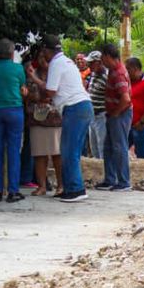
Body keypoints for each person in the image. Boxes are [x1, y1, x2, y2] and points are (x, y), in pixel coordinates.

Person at [35, 34, 93, 203]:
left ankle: (75, 189)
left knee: (69, 151)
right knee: (71, 150)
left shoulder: (56, 63)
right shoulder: (67, 61)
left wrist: (34, 78)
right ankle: (72, 187)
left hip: (74, 108)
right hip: (82, 106)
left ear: (46, 50)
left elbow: (51, 91)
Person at [0, 38, 27, 203]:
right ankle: (13, 191)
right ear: (11, 54)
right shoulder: (18, 69)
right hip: (14, 110)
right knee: (13, 151)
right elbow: (22, 89)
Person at [25, 49, 63, 196]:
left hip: (55, 119)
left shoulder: (58, 72)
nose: (43, 60)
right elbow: (29, 93)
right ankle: (41, 186)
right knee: (39, 154)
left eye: (45, 57)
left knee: (57, 154)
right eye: (40, 57)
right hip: (37, 118)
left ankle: (60, 185)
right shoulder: (32, 75)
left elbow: (54, 93)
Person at [100, 43, 133, 191]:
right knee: (109, 147)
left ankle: (123, 181)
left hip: (120, 114)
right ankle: (110, 178)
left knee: (119, 147)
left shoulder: (118, 73)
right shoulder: (113, 71)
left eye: (103, 57)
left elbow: (125, 98)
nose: (102, 61)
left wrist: (116, 113)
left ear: (108, 56)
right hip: (116, 113)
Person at [84, 51, 107, 159]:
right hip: (92, 116)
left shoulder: (106, 76)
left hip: (101, 115)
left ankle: (106, 173)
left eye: (91, 63)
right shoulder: (93, 74)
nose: (89, 65)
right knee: (94, 148)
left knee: (102, 146)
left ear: (98, 62)